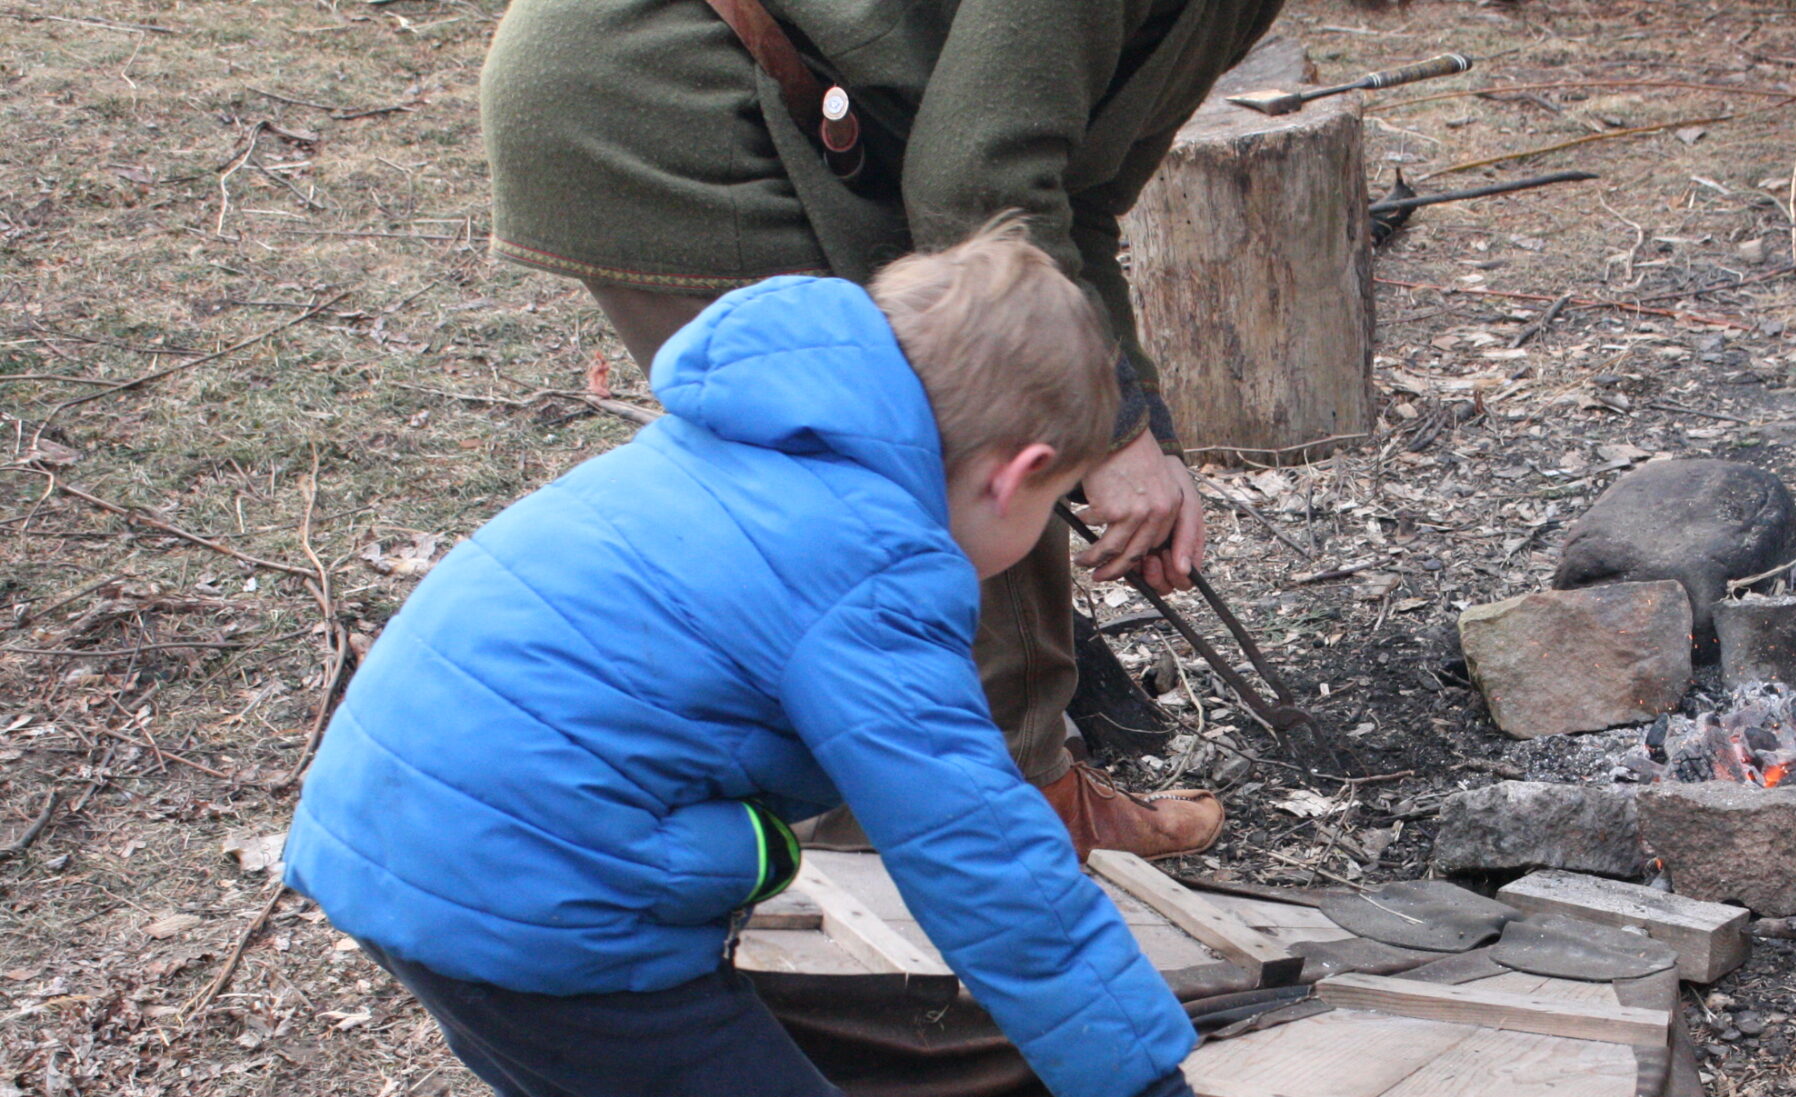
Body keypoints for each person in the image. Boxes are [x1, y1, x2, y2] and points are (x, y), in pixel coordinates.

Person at [281, 227, 1271, 1097]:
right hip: (541, 878)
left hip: (398, 831)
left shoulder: (752, 435)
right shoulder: (868, 568)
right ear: (1014, 476)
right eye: (1053, 510)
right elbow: (985, 857)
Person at [477, 0, 1289, 860]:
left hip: (768, 107)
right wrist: (1110, 435)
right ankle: (959, 857)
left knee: (978, 453)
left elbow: (1068, 198)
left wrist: (1136, 424)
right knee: (946, 470)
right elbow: (977, 189)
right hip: (673, 99)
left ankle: (994, 804)